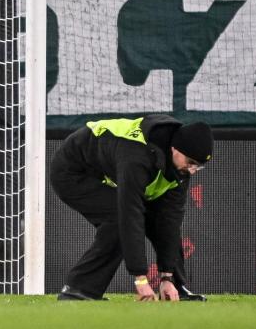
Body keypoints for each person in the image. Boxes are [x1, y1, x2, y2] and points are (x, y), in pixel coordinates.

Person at [51, 115, 213, 302]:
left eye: (198, 167)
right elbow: (130, 215)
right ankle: (78, 290)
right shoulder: (137, 157)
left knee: (163, 218)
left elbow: (169, 220)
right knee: (119, 217)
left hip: (110, 172)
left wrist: (166, 277)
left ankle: (175, 287)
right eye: (191, 162)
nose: (192, 170)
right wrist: (140, 279)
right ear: (175, 149)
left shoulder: (180, 169)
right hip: (73, 171)